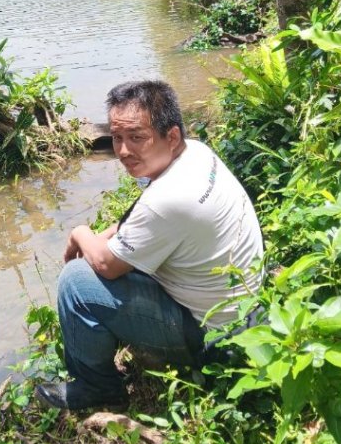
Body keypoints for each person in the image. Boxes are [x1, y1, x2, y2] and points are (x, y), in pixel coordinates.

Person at [35, 79, 264, 411]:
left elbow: (107, 266)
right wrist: (107, 236)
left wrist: (80, 233)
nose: (124, 151)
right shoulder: (197, 153)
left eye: (137, 137)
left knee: (75, 282)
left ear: (170, 136)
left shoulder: (167, 200)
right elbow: (145, 218)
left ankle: (97, 389)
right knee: (102, 252)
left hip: (211, 336)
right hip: (244, 309)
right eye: (116, 138)